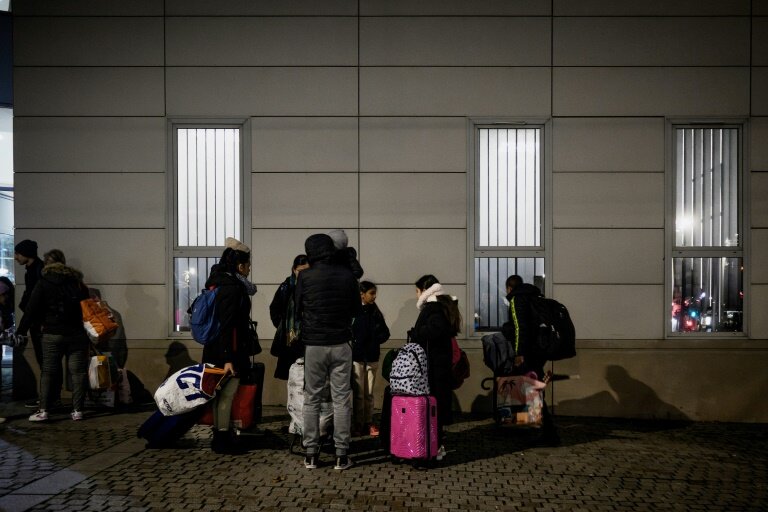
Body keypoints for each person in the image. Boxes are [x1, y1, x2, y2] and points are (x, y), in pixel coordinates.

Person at [295, 233, 360, 470]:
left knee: (312, 398)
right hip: (341, 343)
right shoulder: (347, 275)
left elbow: (298, 306)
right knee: (342, 399)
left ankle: (311, 453)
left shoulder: (304, 275)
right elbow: (356, 309)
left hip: (314, 344)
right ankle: (342, 454)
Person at [16, 259, 90, 422]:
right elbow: (87, 307)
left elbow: (30, 309)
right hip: (76, 334)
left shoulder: (43, 283)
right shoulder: (76, 284)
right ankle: (78, 411)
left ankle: (44, 410)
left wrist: (21, 331)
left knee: (48, 371)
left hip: (52, 333)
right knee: (78, 373)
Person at [201, 238, 253, 454]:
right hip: (227, 350)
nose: (249, 269)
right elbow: (228, 324)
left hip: (215, 348)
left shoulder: (216, 281)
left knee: (218, 394)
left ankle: (221, 434)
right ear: (240, 266)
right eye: (248, 265)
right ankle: (221, 439)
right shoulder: (232, 287)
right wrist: (229, 358)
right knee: (226, 395)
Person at [501, 274, 559, 445]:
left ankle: (544, 432)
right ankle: (542, 429)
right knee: (535, 388)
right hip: (539, 351)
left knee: (532, 391)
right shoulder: (534, 297)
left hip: (529, 353)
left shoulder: (516, 300)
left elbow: (520, 328)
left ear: (509, 288)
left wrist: (519, 353)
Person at [411, 274, 455, 461]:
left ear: (424, 290)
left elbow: (434, 331)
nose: (415, 294)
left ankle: (434, 447)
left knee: (432, 406)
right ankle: (437, 445)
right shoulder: (442, 304)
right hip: (439, 363)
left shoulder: (434, 307)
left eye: (417, 290)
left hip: (434, 365)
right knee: (436, 405)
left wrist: (416, 332)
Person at [351, 281, 390, 437]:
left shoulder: (375, 312)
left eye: (374, 293)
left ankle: (368, 422)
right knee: (359, 394)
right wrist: (356, 343)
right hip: (357, 357)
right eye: (371, 293)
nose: (374, 296)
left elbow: (385, 333)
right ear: (362, 294)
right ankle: (359, 423)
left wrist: (374, 341)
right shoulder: (353, 311)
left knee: (369, 393)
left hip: (372, 357)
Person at [14, 239, 49, 407]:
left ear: (26, 254)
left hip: (40, 325)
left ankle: (47, 399)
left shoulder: (37, 271)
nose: (15, 257)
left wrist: (22, 329)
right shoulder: (33, 270)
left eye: (17, 253)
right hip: (37, 323)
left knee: (45, 362)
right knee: (45, 363)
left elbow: (35, 303)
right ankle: (48, 398)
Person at [269, 254, 309, 380]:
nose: (303, 275)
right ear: (294, 269)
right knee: (291, 376)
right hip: (289, 338)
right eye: (300, 271)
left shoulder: (313, 287)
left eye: (307, 271)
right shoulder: (286, 286)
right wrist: (283, 325)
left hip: (308, 337)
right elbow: (274, 308)